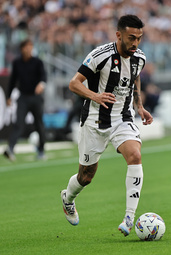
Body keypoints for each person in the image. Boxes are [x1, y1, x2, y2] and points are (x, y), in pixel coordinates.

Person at [60, 15, 153, 237]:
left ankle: (129, 218)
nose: (135, 43)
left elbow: (135, 77)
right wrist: (96, 96)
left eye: (139, 38)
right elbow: (74, 83)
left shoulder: (139, 57)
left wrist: (139, 106)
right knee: (86, 176)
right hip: (95, 120)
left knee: (135, 156)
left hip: (123, 118)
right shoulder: (100, 56)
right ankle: (68, 198)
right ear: (119, 35)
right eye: (131, 38)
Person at [3, 39, 47, 161]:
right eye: (26, 47)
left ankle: (41, 150)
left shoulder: (38, 62)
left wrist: (41, 84)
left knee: (39, 124)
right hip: (23, 97)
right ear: (22, 49)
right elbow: (13, 80)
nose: (29, 49)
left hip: (36, 97)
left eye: (30, 47)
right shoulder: (17, 63)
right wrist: (8, 96)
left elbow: (43, 76)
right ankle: (10, 149)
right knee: (18, 124)